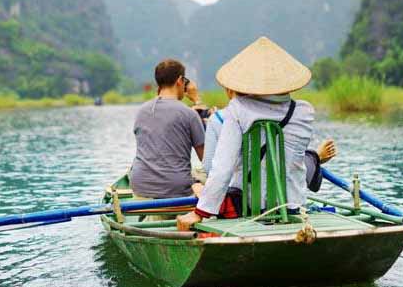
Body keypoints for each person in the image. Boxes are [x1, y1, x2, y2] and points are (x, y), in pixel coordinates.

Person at [177, 37, 318, 231]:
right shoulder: (305, 111)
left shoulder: (238, 109)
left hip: (250, 209)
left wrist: (200, 212)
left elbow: (222, 167)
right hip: (295, 207)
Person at [203, 86, 338, 189]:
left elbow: (210, 168)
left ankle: (315, 157)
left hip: (239, 199)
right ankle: (316, 158)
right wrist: (315, 157)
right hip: (287, 199)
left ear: (228, 91)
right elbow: (290, 164)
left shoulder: (218, 119)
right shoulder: (298, 112)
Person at [129, 59, 205, 201]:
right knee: (206, 177)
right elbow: (206, 160)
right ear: (180, 81)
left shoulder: (142, 111)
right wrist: (197, 100)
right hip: (176, 190)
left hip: (140, 186)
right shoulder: (189, 114)